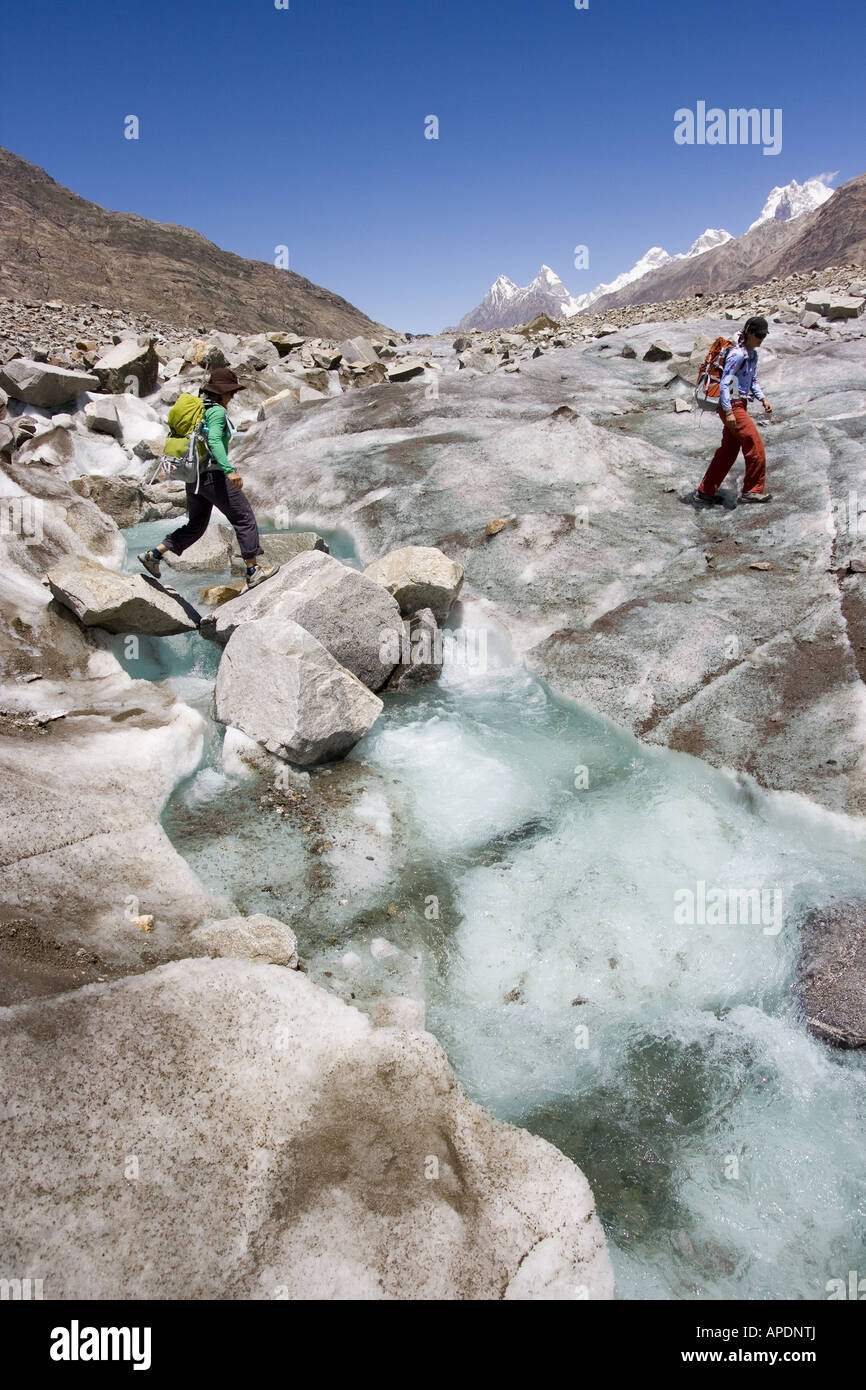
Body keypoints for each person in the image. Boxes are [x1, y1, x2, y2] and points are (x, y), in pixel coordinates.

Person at [137, 367, 279, 588]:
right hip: (213, 476)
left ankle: (154, 554)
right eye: (231, 393)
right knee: (244, 518)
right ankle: (253, 570)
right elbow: (214, 440)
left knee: (196, 525)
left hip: (194, 478)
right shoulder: (217, 412)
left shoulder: (198, 408)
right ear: (222, 392)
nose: (232, 398)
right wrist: (229, 470)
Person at [694, 315, 774, 505]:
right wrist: (729, 412)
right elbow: (724, 383)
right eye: (759, 336)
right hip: (731, 404)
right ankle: (752, 490)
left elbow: (752, 380)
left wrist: (763, 398)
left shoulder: (752, 354)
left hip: (738, 403)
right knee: (754, 445)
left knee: (729, 450)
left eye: (764, 336)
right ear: (749, 333)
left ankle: (706, 491)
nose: (762, 339)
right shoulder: (737, 354)